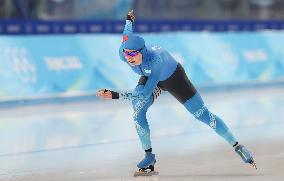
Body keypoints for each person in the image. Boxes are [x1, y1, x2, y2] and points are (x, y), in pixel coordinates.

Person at [96, 10, 256, 175]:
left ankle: (238, 146)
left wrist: (115, 95)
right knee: (137, 111)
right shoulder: (124, 51)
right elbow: (127, 32)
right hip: (149, 76)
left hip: (174, 78)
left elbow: (144, 93)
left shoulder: (155, 60)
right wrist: (129, 18)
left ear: (142, 52)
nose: (129, 58)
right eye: (127, 53)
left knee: (202, 114)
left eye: (133, 54)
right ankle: (149, 156)